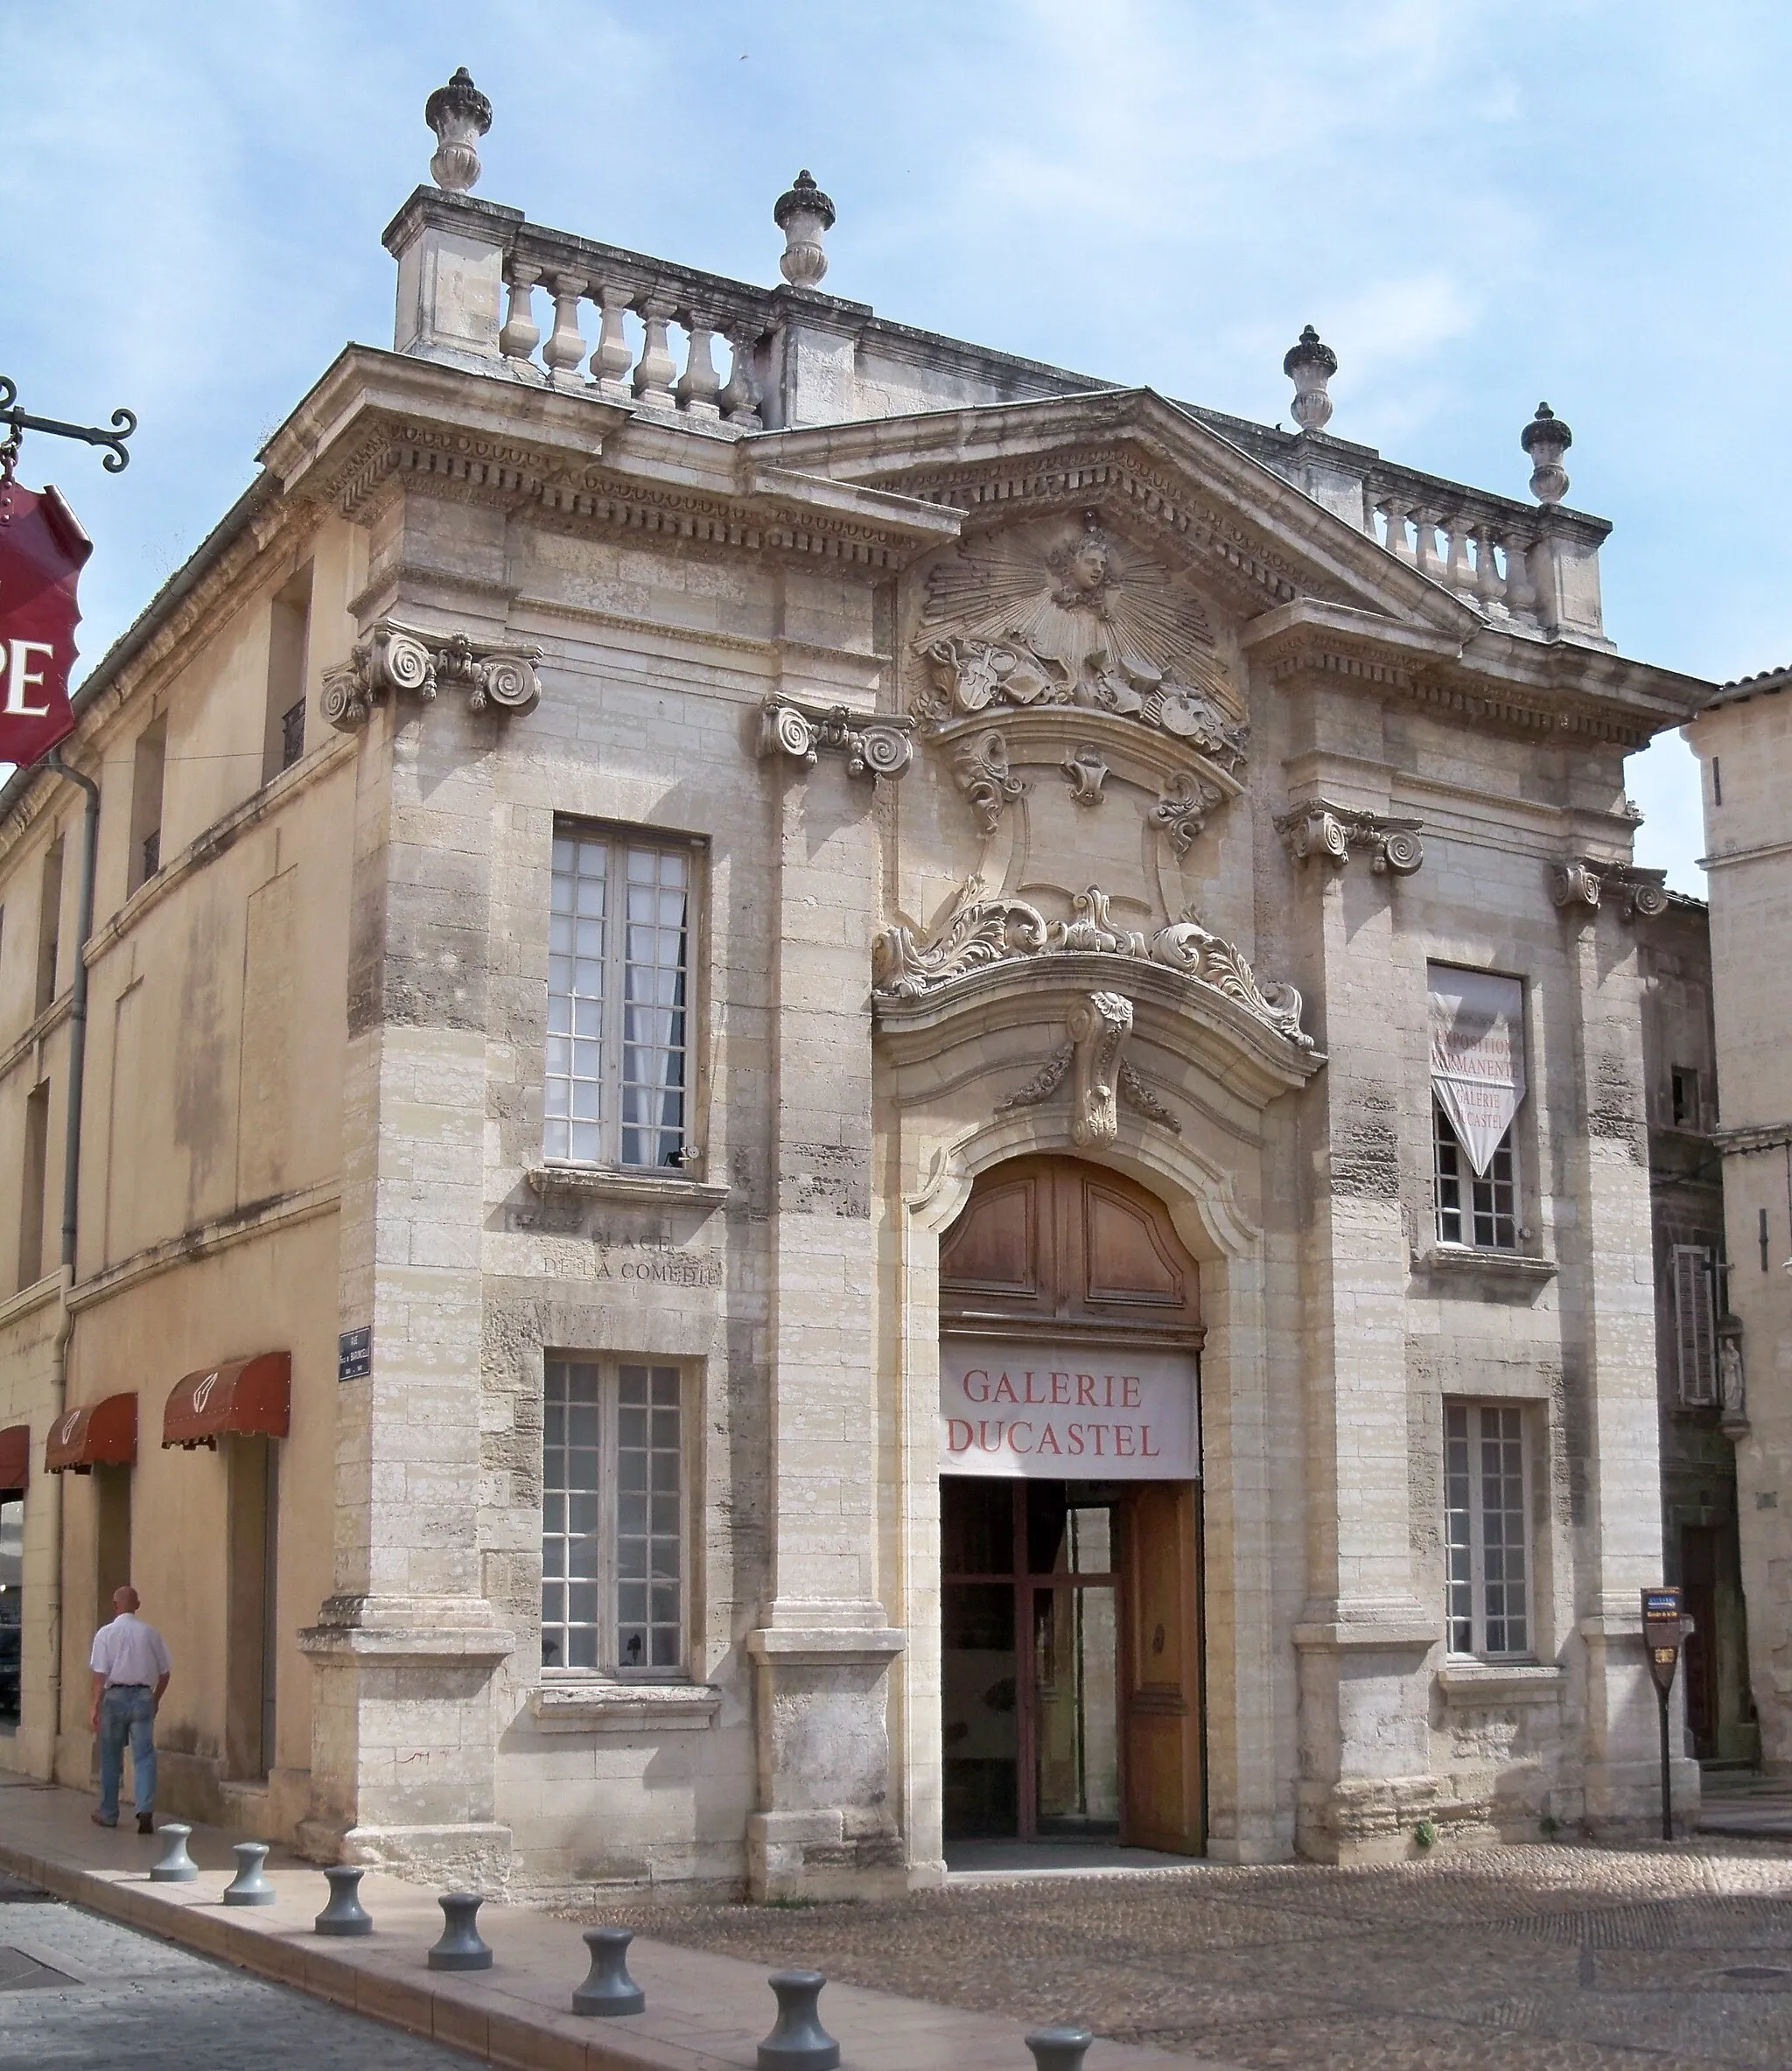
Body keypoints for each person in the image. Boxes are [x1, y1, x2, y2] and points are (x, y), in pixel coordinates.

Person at [88, 1585, 171, 1834]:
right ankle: (144, 1810)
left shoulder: (105, 1634)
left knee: (111, 1756)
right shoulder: (151, 1633)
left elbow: (100, 1675)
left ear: (115, 1606)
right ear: (138, 1605)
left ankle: (109, 1812)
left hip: (114, 1698)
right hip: (143, 1696)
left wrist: (94, 1705)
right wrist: (155, 1699)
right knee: (144, 1756)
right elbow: (165, 1672)